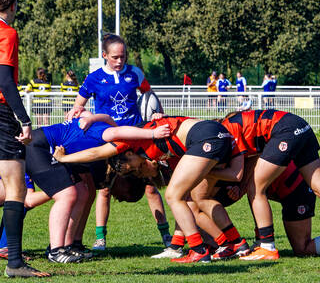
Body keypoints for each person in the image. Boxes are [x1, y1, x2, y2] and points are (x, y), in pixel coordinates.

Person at [53, 116, 239, 263]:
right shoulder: (156, 148)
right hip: (214, 136)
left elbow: (96, 152)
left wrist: (64, 159)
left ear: (127, 153)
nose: (137, 169)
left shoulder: (128, 142)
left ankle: (200, 250)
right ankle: (231, 244)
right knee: (186, 198)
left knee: (174, 196)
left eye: (132, 167)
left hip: (207, 137)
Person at [66, 33, 171, 251]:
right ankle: (100, 239)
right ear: (104, 55)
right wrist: (77, 111)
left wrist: (156, 114)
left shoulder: (135, 73)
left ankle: (166, 236)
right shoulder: (93, 78)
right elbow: (79, 104)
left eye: (122, 56)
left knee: (151, 187)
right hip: (108, 140)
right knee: (103, 189)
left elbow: (149, 96)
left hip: (136, 138)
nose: (120, 61)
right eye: (115, 57)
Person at [26, 112, 170, 263]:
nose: (137, 168)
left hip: (51, 146)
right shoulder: (110, 135)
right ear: (126, 152)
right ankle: (55, 251)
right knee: (68, 195)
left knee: (83, 193)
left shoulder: (110, 134)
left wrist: (92, 118)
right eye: (138, 166)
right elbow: (115, 132)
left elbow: (108, 119)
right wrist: (153, 133)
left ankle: (68, 246)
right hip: (40, 146)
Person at [219, 109, 320, 260]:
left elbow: (238, 170)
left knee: (255, 187)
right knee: (317, 186)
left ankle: (267, 247)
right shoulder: (241, 128)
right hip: (300, 125)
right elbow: (252, 159)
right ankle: (262, 242)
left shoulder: (226, 130)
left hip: (286, 129)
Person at [0, 0, 50, 277]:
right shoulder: (7, 33)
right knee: (17, 187)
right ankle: (15, 263)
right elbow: (5, 80)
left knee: (6, 187)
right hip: (2, 114)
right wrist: (25, 120)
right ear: (14, 4)